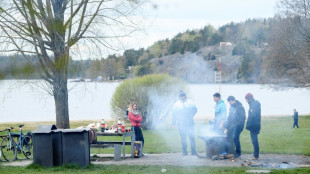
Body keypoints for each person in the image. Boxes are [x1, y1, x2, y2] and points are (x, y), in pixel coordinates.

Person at [172, 91, 197, 156]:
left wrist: (191, 115)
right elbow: (174, 114)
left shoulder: (190, 102)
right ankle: (184, 152)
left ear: (185, 96)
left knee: (191, 136)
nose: (182, 97)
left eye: (183, 96)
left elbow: (195, 110)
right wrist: (174, 123)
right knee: (183, 137)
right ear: (179, 97)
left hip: (190, 122)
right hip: (181, 123)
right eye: (181, 97)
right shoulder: (176, 104)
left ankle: (193, 151)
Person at [245, 93, 261, 160]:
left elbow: (253, 116)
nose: (246, 101)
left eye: (246, 99)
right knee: (253, 140)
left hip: (254, 125)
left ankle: (256, 156)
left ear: (249, 99)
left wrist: (249, 125)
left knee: (254, 140)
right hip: (254, 125)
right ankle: (255, 154)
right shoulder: (253, 104)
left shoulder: (254, 105)